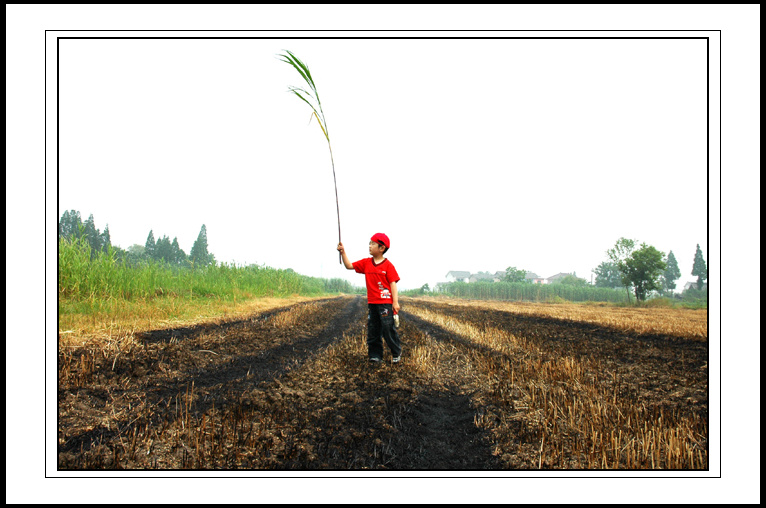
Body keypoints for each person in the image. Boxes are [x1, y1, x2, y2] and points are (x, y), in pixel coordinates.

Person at [337, 233, 402, 364]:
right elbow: (349, 265)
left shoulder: (388, 266)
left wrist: (395, 302)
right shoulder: (366, 263)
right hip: (372, 304)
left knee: (388, 329)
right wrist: (343, 252)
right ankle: (375, 355)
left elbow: (393, 284)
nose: (369, 245)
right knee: (373, 330)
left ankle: (396, 352)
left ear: (381, 248)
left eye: (372, 243)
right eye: (370, 243)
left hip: (385, 304)